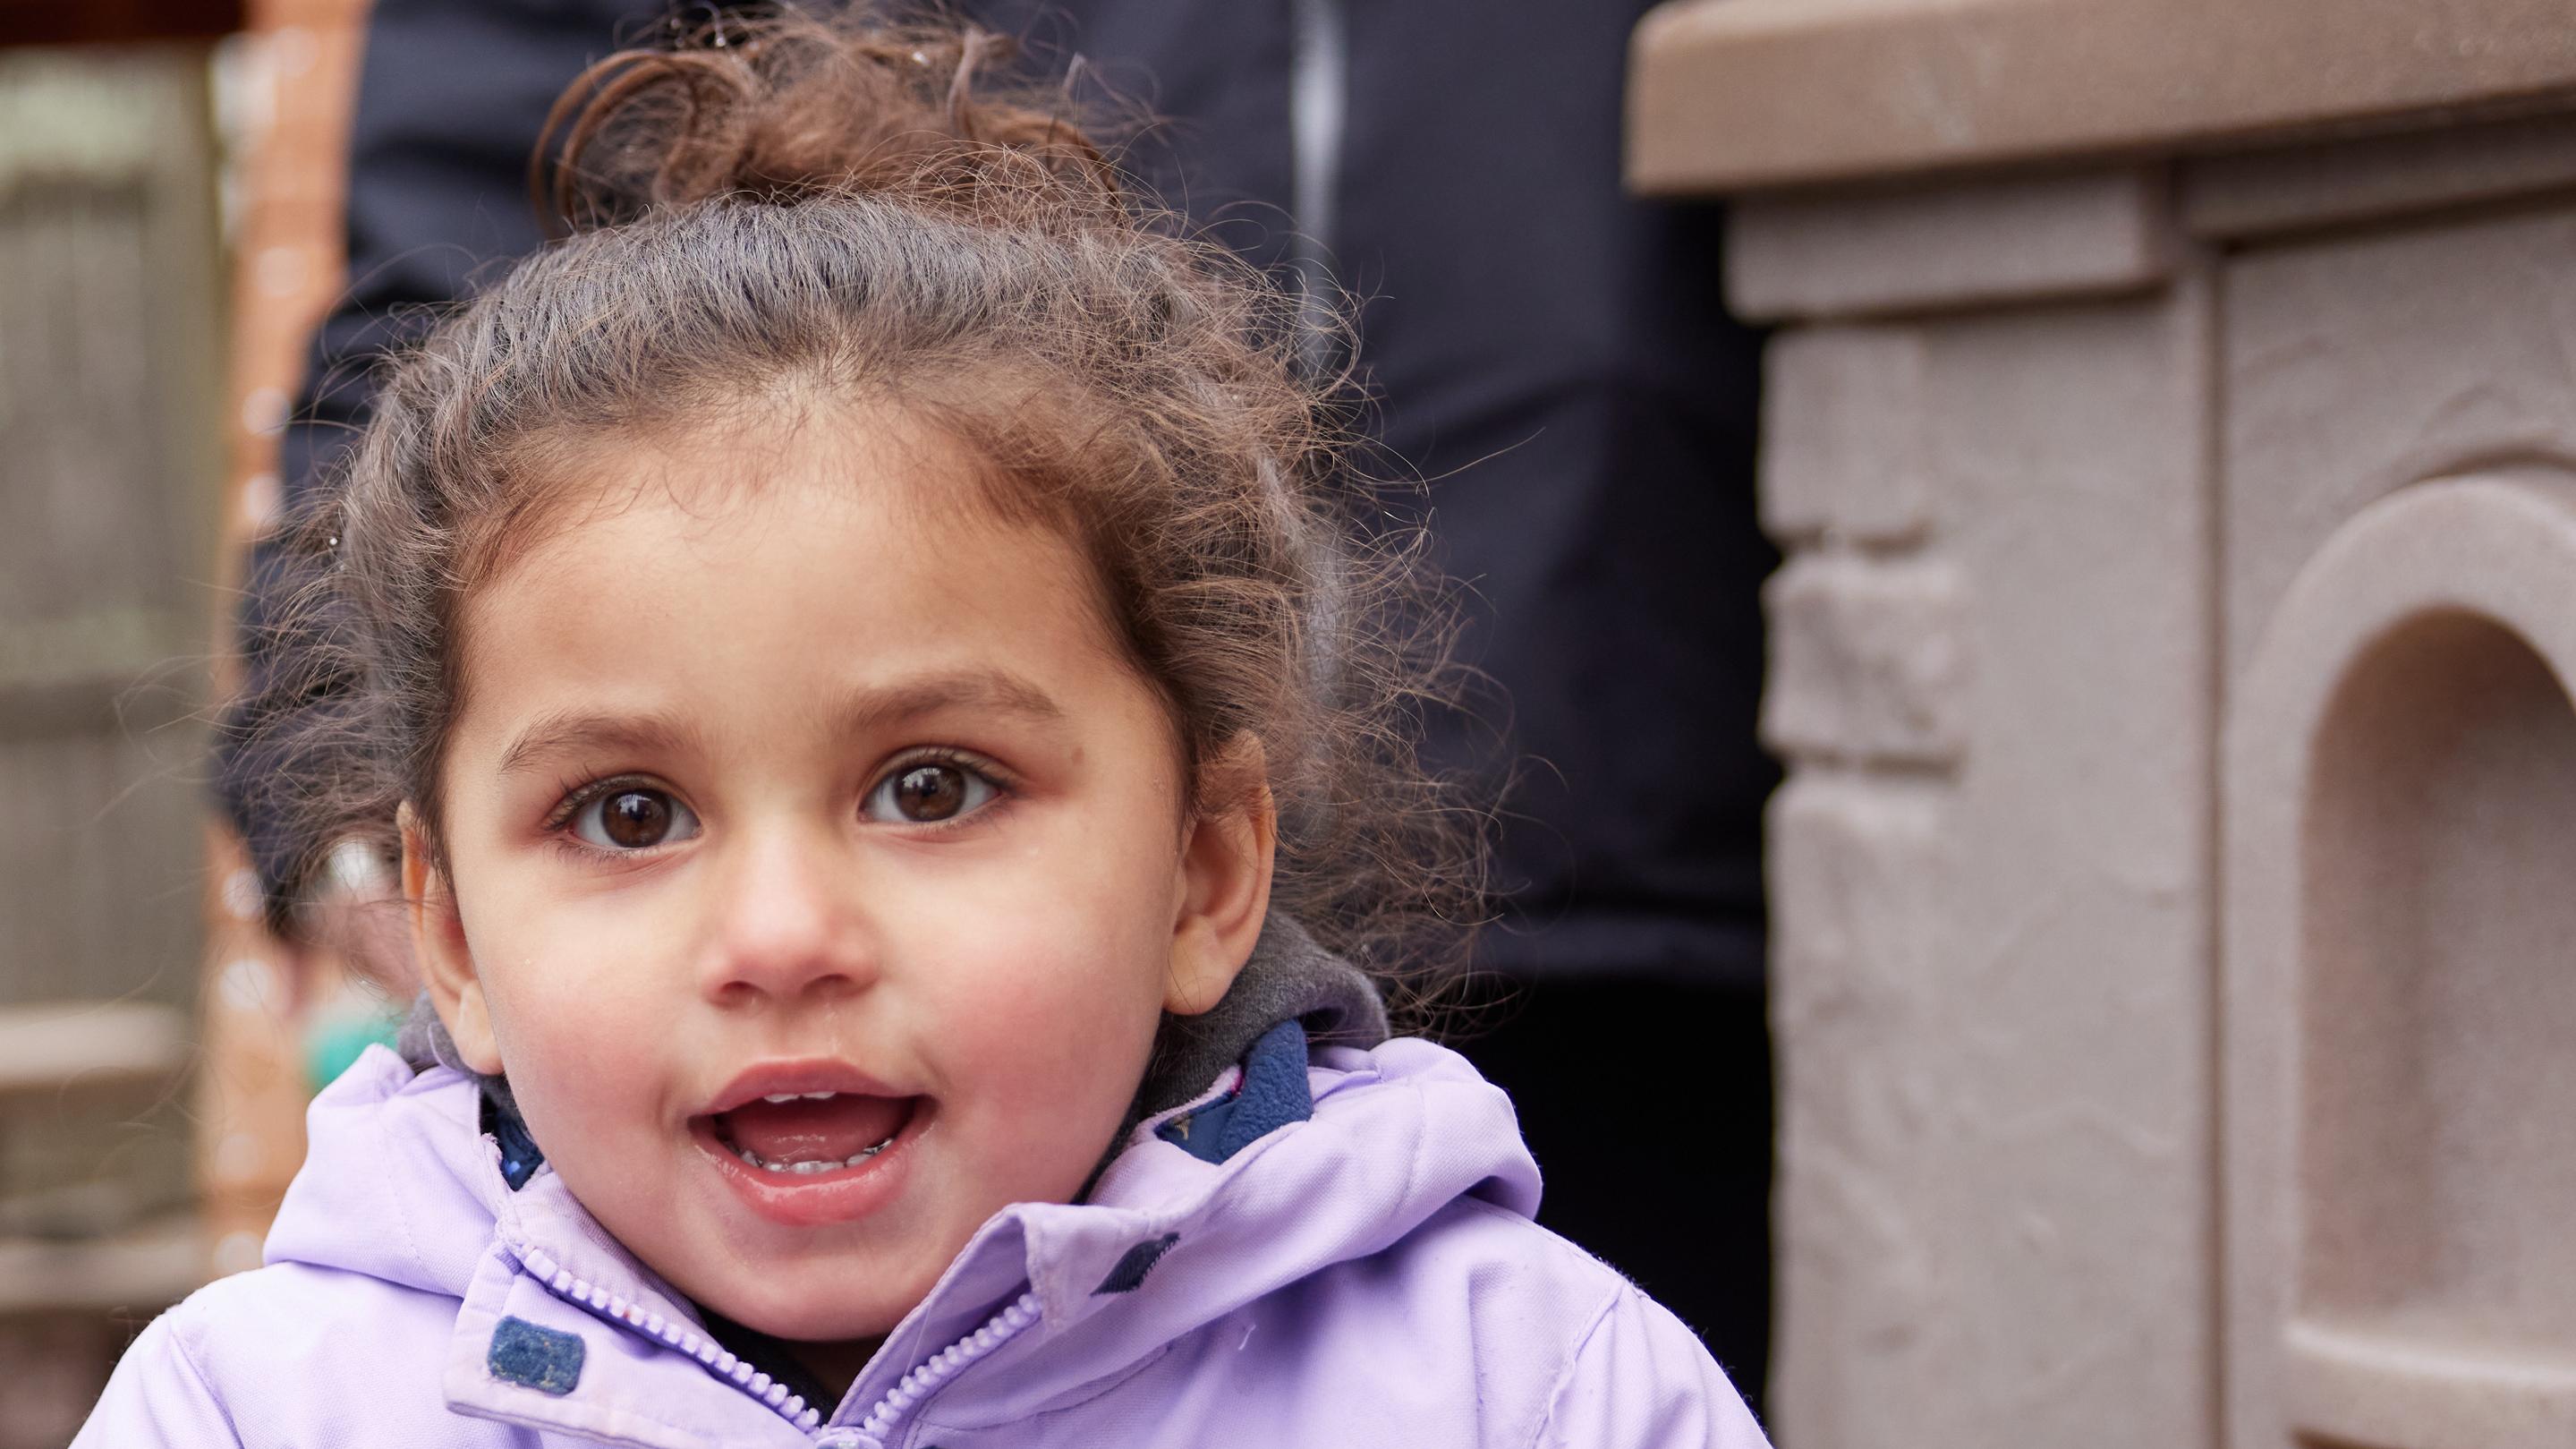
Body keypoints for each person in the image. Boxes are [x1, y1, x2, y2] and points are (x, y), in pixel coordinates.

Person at [90, 12, 1771, 1445]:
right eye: (627, 815)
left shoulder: (1521, 1387)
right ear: (444, 933)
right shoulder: (263, 1411)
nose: (781, 938)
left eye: (930, 785)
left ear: (1205, 870)